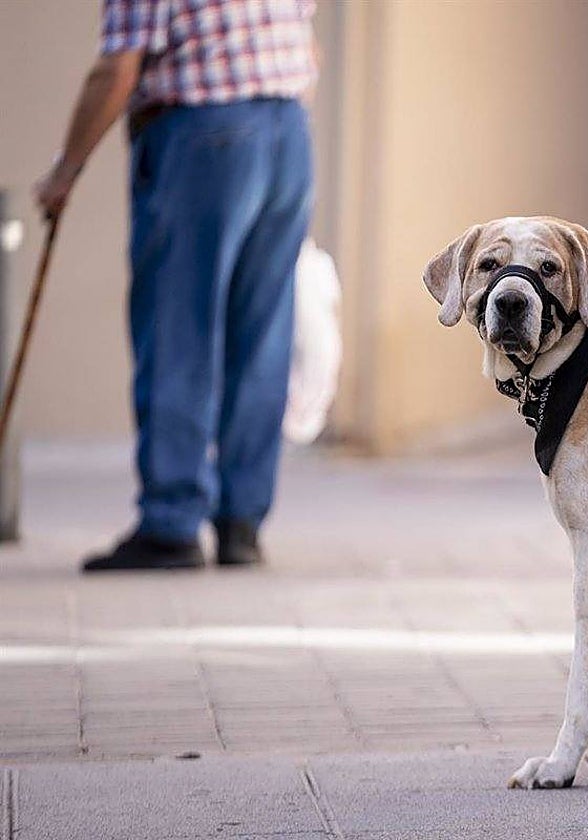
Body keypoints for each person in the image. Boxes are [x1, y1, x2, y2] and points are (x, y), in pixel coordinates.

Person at [34, 0, 317, 571]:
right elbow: (309, 44)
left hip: (203, 131)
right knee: (261, 333)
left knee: (178, 329)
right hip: (287, 128)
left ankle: (172, 522)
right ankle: (242, 523)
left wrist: (66, 170)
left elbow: (117, 68)